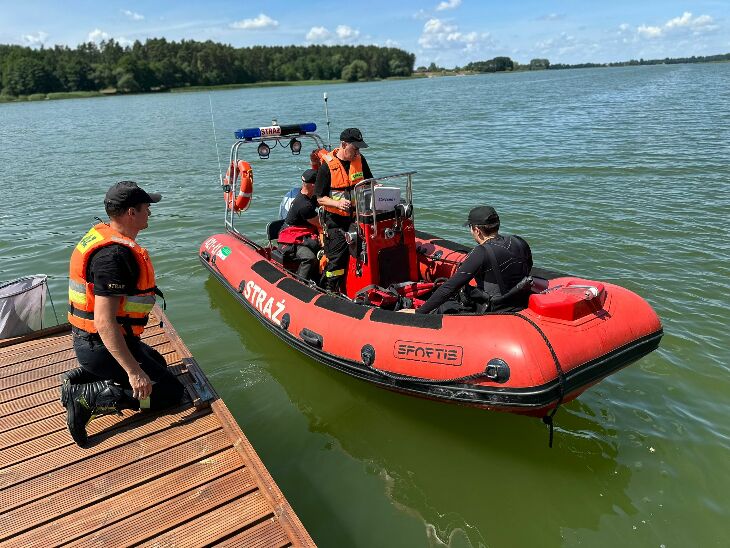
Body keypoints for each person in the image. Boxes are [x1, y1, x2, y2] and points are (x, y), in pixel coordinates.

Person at [61, 181, 185, 446]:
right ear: (131, 213)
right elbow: (104, 322)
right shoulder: (114, 257)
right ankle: (88, 399)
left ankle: (84, 376)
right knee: (170, 394)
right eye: (146, 208)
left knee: (159, 365)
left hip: (99, 344)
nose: (149, 212)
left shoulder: (107, 236)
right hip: (100, 345)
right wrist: (133, 372)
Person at [401, 206, 533, 315]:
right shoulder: (519, 241)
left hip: (495, 310)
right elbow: (527, 266)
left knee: (446, 305)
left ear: (477, 230)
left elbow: (450, 287)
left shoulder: (482, 252)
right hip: (518, 302)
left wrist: (419, 312)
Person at [315, 127, 374, 292]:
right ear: (343, 144)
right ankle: (329, 290)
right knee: (337, 260)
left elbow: (369, 181)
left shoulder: (360, 160)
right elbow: (319, 198)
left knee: (366, 250)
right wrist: (337, 204)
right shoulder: (327, 167)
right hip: (336, 221)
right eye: (354, 148)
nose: (357, 152)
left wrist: (379, 188)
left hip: (357, 217)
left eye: (359, 149)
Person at [277, 168, 322, 281]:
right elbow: (320, 224)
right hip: (291, 238)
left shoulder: (307, 196)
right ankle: (301, 284)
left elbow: (320, 202)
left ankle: (316, 277)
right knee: (309, 258)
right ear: (313, 185)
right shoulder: (304, 205)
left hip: (302, 231)